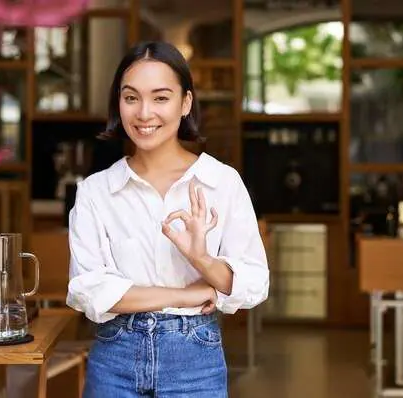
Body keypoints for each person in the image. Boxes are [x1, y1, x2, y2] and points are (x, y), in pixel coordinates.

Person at [65, 41, 270, 398]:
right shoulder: (96, 192)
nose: (144, 113)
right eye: (131, 98)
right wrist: (193, 294)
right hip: (114, 360)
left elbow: (253, 283)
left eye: (161, 98)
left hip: (195, 359)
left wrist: (201, 259)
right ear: (119, 103)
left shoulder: (221, 182)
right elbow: (89, 290)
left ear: (185, 103)